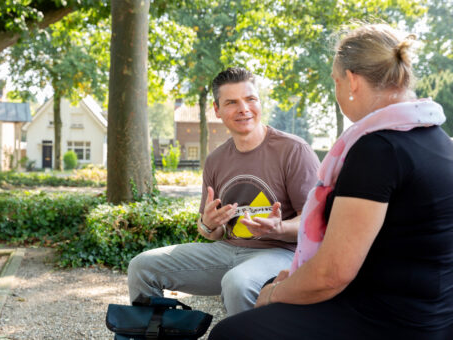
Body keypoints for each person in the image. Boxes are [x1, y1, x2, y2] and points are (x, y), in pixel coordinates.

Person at [209, 24, 453, 339]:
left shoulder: (378, 150)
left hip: (391, 320)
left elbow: (332, 275)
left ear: (351, 80)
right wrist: (293, 280)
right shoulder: (438, 138)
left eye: (335, 82)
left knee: (230, 333)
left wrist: (274, 294)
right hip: (433, 312)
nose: (337, 92)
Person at [128, 67, 319, 316]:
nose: (244, 108)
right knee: (142, 266)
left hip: (281, 252)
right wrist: (208, 224)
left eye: (250, 99)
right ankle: (152, 331)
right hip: (226, 250)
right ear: (217, 111)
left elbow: (314, 222)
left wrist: (279, 228)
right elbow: (213, 232)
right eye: (232, 102)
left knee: (238, 282)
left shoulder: (294, 151)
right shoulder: (216, 160)